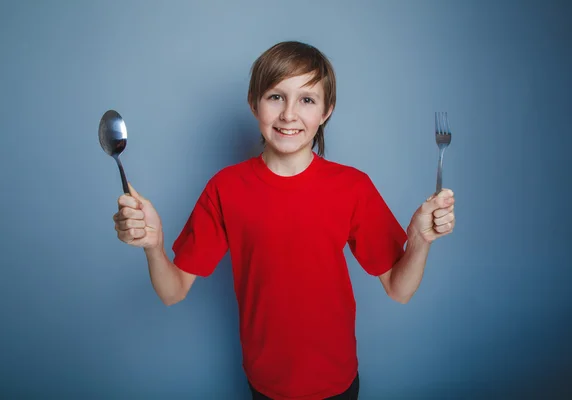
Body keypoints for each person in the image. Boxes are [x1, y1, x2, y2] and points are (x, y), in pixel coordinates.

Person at [112, 41, 456, 400]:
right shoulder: (225, 188)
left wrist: (420, 240)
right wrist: (153, 245)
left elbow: (399, 290)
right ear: (254, 103)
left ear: (326, 111)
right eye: (276, 96)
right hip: (264, 383)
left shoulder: (353, 186)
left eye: (307, 100)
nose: (289, 114)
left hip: (336, 382)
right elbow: (172, 291)